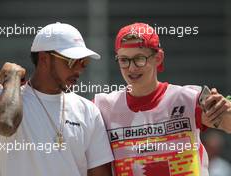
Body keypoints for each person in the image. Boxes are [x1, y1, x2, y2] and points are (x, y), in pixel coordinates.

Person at [93, 22, 231, 176]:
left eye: (139, 59)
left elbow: (227, 122)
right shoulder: (103, 106)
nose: (131, 68)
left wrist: (226, 109)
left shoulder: (188, 99)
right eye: (124, 60)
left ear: (158, 58)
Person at [0, 22, 113, 176]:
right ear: (44, 58)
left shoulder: (88, 110)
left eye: (84, 62)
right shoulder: (0, 97)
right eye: (72, 61)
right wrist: (13, 77)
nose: (79, 69)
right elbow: (3, 125)